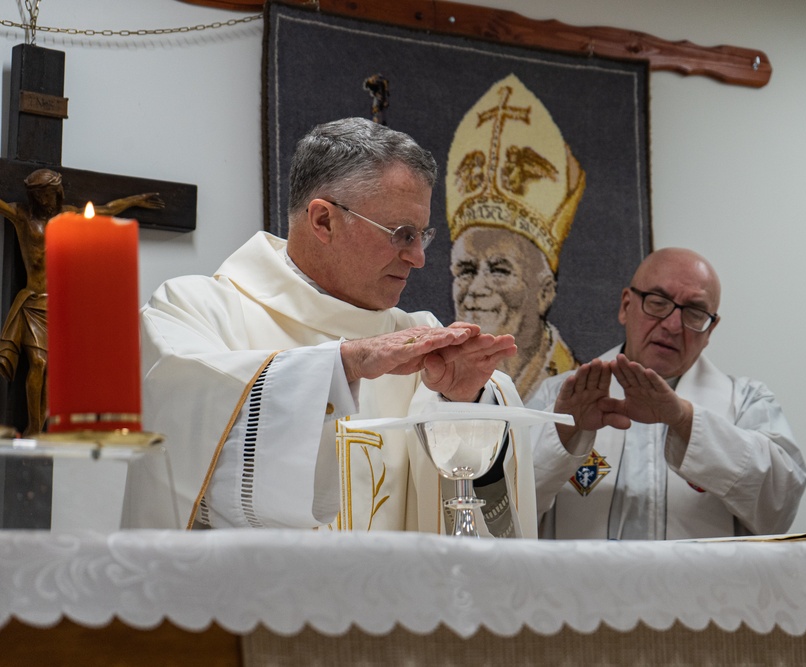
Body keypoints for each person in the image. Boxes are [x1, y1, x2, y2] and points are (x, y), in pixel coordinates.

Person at [130, 118, 537, 537]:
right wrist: (344, 365)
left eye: (422, 236)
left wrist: (465, 400)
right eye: (402, 234)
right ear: (323, 221)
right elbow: (180, 443)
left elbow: (472, 520)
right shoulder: (195, 310)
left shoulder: (421, 340)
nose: (418, 258)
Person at [529, 248, 806, 540]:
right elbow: (504, 509)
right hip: (579, 584)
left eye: (695, 313)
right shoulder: (557, 396)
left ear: (710, 330)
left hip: (702, 586)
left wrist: (686, 420)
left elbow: (779, 507)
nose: (673, 326)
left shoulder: (746, 402)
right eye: (658, 303)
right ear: (626, 306)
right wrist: (563, 430)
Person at [446, 74, 583, 402]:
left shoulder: (581, 395)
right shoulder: (428, 382)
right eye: (465, 269)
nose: (476, 289)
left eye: (499, 269)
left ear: (545, 293)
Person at [0, 168, 163, 435]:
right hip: (33, 303)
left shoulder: (69, 215)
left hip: (60, 306)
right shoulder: (22, 216)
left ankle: (42, 425)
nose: (44, 201)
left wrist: (135, 200)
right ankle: (32, 424)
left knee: (55, 370)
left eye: (49, 194)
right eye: (39, 196)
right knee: (38, 364)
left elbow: (107, 209)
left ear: (57, 192)